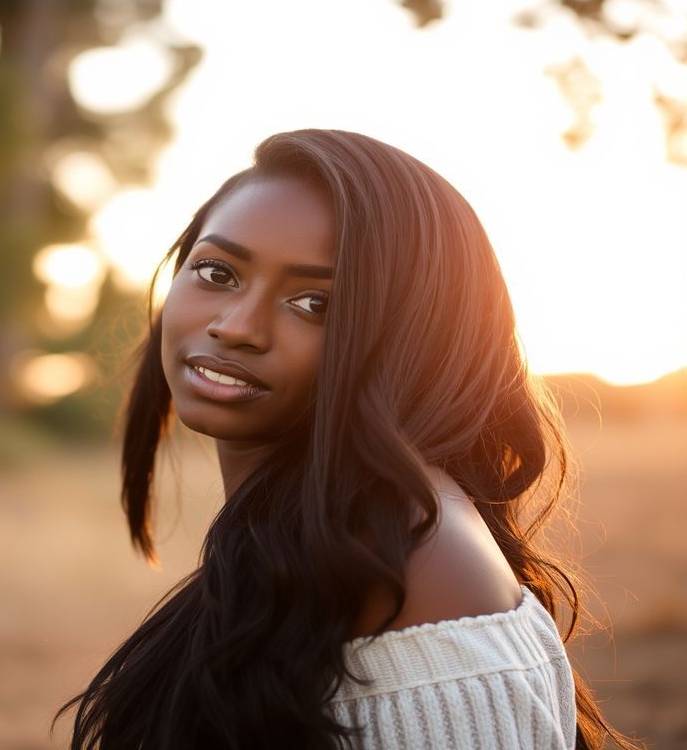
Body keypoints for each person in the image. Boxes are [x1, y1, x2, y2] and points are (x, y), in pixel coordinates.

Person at [53, 129, 642, 749]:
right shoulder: (334, 529)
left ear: (413, 342)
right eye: (217, 272)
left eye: (314, 303)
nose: (236, 327)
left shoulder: (407, 550)